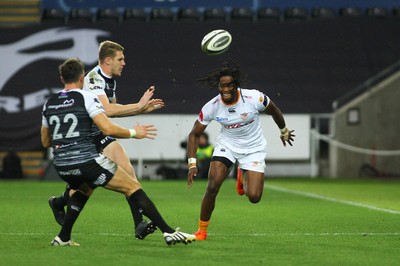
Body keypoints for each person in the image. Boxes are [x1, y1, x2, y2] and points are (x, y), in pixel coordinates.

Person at [42, 58, 195, 246]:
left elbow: (45, 141)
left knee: (85, 188)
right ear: (81, 77)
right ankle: (169, 232)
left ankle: (63, 236)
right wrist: (134, 133)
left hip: (61, 166)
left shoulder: (50, 102)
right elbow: (108, 129)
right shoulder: (86, 97)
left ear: (61, 78)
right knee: (132, 187)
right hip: (86, 162)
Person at [48, 40, 164, 240]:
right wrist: (138, 106)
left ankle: (138, 224)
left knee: (126, 171)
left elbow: (112, 112)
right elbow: (107, 109)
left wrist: (141, 109)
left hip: (100, 133)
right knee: (86, 186)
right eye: (121, 59)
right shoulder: (93, 79)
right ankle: (59, 205)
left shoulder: (110, 80)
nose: (124, 62)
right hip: (87, 136)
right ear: (108, 60)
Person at [186, 62, 295, 241]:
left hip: (254, 149)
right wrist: (192, 164)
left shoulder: (254, 98)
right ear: (219, 86)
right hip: (227, 145)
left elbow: (274, 111)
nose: (226, 89)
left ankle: (241, 172)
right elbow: (194, 134)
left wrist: (284, 131)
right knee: (212, 186)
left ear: (236, 85)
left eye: (230, 85)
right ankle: (201, 231)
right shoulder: (212, 106)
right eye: (223, 85)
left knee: (254, 197)